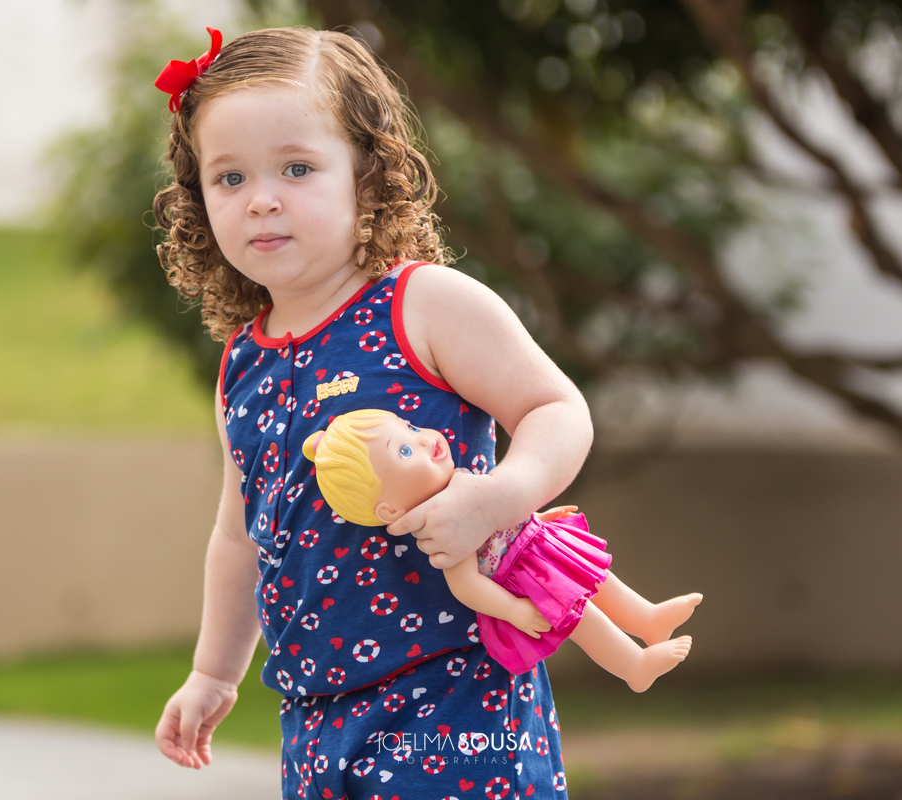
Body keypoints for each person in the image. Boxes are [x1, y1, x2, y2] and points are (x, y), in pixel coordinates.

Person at [148, 25, 679, 798]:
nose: (262, 199)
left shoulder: (423, 305)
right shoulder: (244, 363)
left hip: (458, 692)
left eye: (297, 168)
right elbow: (239, 535)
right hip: (318, 714)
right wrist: (212, 672)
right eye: (229, 178)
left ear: (366, 174)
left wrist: (499, 496)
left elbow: (557, 409)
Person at [303, 409, 699, 692]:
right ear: (389, 510)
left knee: (597, 578)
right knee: (581, 614)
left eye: (410, 428)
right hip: (525, 575)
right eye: (404, 451)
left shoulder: (460, 480)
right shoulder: (441, 526)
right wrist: (513, 610)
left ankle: (648, 619)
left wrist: (536, 517)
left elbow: (497, 508)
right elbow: (466, 586)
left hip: (536, 542)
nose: (423, 438)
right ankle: (634, 666)